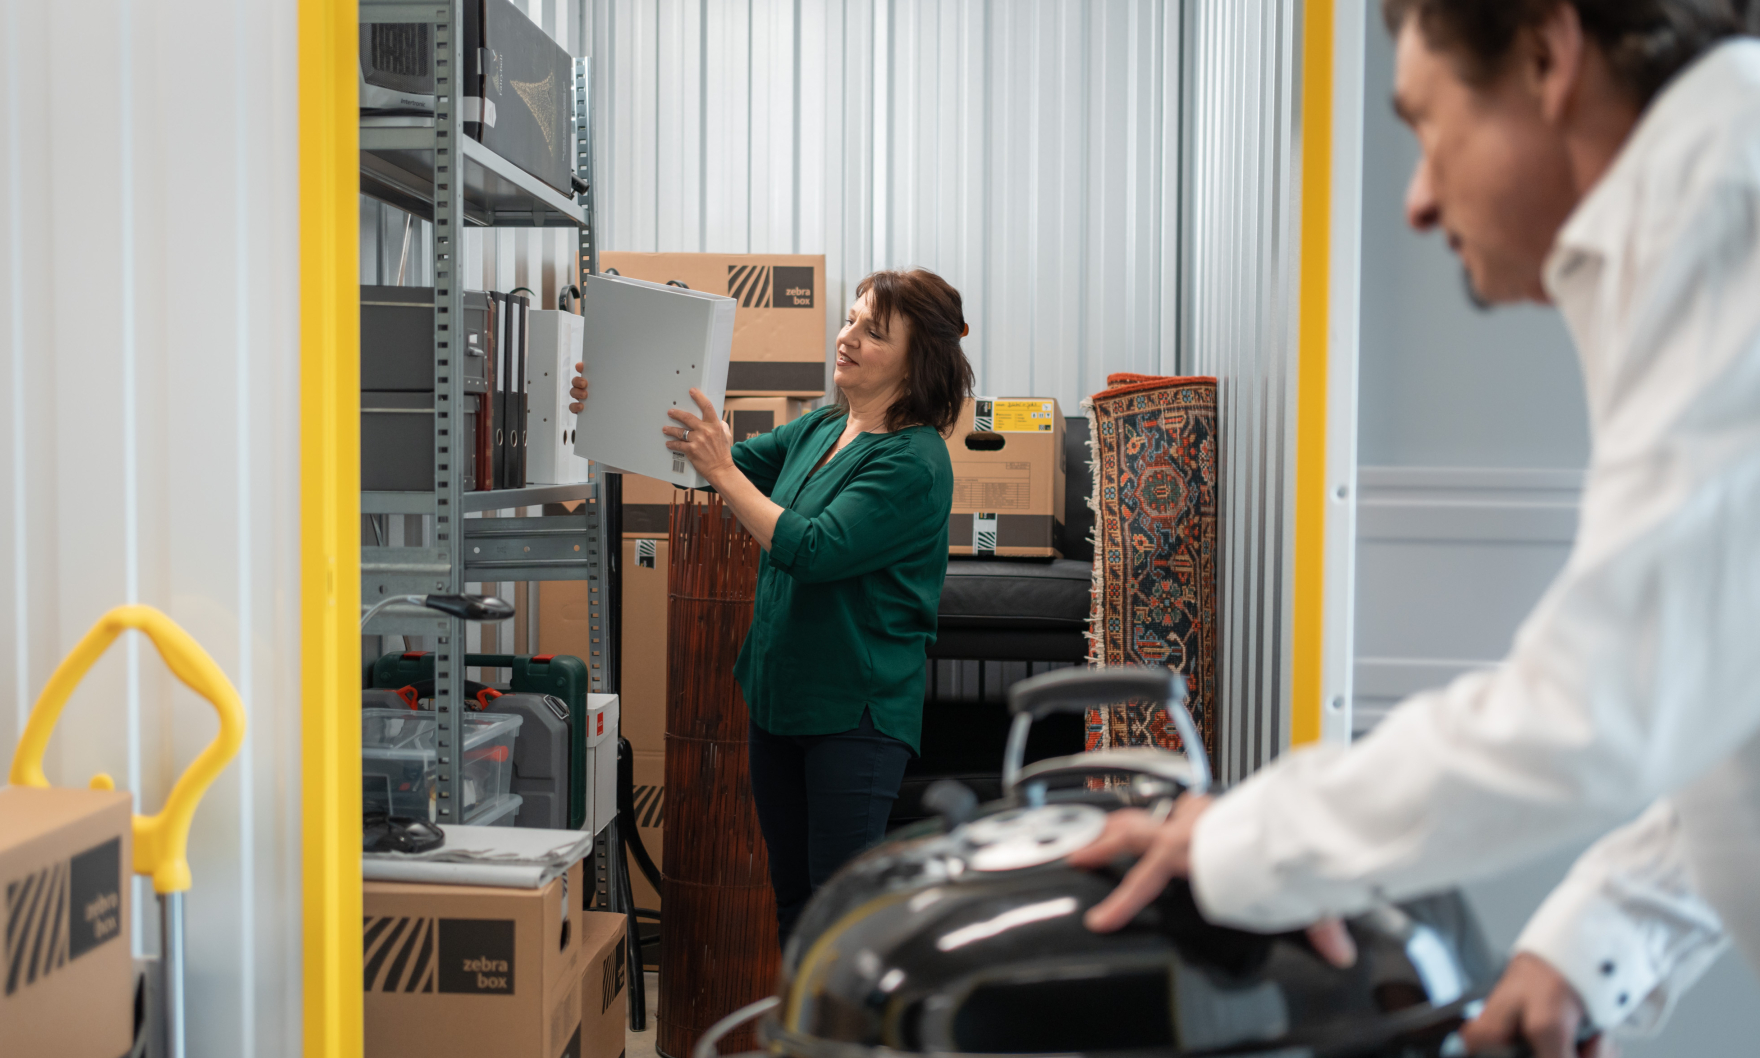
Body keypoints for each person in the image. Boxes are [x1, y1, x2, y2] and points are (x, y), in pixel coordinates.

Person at [1069, 3, 1760, 1057]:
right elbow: (1727, 693)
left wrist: (1242, 842)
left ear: (1545, 54)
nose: (1417, 199)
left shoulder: (1718, 196)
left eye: (1427, 124)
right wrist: (1589, 943)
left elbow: (1602, 699)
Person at [570, 269, 974, 944]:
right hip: (781, 700)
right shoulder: (821, 428)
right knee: (793, 905)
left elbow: (813, 548)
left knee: (839, 913)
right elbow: (707, 459)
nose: (846, 338)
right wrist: (610, 399)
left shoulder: (914, 462)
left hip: (855, 715)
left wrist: (724, 470)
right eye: (849, 320)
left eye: (872, 332)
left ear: (918, 359)